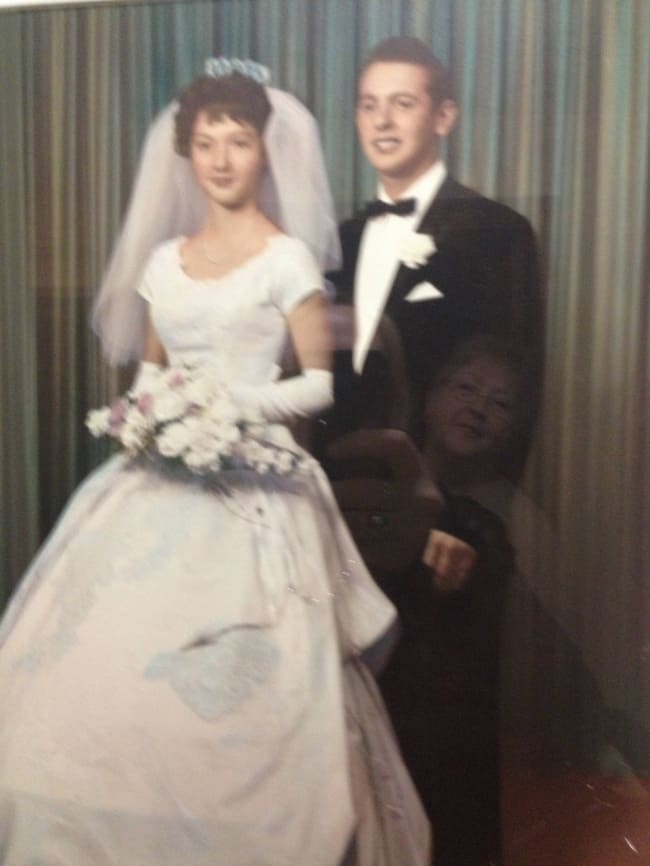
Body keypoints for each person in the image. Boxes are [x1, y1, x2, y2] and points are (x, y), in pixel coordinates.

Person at [0, 63, 430, 866]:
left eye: (238, 142)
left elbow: (316, 384)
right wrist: (156, 412)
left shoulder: (287, 259)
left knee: (255, 687)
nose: (222, 160)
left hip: (258, 479)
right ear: (187, 154)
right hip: (162, 475)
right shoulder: (164, 262)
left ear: (265, 152)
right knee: (103, 669)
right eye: (206, 144)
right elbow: (150, 375)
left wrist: (228, 405)